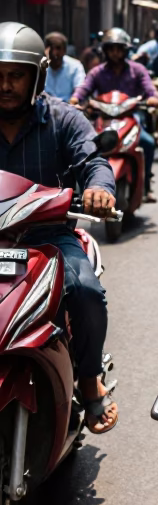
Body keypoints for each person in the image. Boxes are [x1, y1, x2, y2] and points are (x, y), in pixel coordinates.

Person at [0, 23, 118, 433]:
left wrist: (100, 190)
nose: (5, 85)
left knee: (85, 291)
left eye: (15, 75)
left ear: (37, 77)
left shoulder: (63, 119)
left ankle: (89, 383)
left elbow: (93, 163)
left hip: (48, 237)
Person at [71, 28, 158, 203]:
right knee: (83, 147)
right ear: (105, 50)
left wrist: (153, 98)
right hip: (103, 120)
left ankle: (146, 184)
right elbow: (84, 88)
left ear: (126, 49)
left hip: (130, 117)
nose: (115, 53)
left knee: (148, 144)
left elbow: (149, 88)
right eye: (111, 48)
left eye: (119, 48)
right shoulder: (97, 71)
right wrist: (75, 99)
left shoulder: (137, 70)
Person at [43, 32, 86, 102]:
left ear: (64, 50)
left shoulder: (75, 66)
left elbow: (80, 87)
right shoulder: (40, 66)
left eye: (58, 48)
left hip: (68, 107)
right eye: (51, 48)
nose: (54, 53)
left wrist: (75, 97)